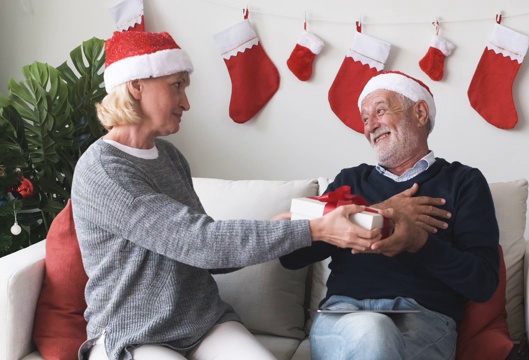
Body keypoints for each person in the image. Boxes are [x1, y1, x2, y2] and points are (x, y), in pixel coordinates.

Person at [71, 30, 393, 360]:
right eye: (176, 85)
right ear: (137, 85)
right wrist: (313, 230)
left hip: (201, 321)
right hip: (132, 332)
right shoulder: (104, 170)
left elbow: (203, 253)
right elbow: (196, 243)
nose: (185, 102)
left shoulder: (169, 157)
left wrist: (276, 228)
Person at [280, 70, 500, 360]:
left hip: (424, 319)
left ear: (420, 113)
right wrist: (381, 211)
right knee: (373, 331)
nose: (371, 125)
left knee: (377, 335)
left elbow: (483, 283)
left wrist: (419, 243)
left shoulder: (464, 182)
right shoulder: (350, 181)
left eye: (380, 110)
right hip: (344, 316)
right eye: (365, 118)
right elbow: (290, 256)